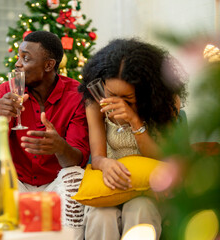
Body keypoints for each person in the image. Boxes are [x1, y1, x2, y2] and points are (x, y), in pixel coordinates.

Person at [0, 31, 90, 238]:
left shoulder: (76, 95)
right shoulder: (6, 91)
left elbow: (78, 158)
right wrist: (2, 120)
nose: (18, 64)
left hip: (55, 184)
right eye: (18, 57)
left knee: (76, 177)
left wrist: (60, 146)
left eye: (26, 58)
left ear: (49, 65)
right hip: (16, 182)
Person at [78, 38, 187, 240]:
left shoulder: (166, 103)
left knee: (141, 210)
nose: (116, 103)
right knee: (101, 215)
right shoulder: (95, 101)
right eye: (111, 94)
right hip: (110, 182)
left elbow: (163, 157)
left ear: (147, 91)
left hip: (148, 187)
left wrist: (135, 122)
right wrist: (106, 164)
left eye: (127, 99)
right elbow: (98, 156)